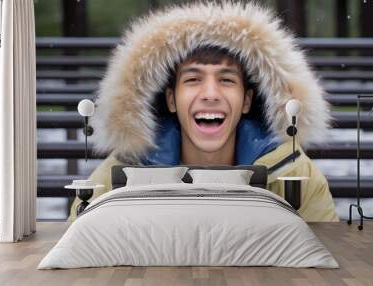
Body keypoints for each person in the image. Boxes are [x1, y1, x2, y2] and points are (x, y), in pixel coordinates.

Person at [69, 2, 339, 222]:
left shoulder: (293, 174)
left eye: (226, 80)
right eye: (193, 79)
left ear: (246, 101)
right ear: (171, 100)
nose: (210, 94)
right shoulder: (116, 175)